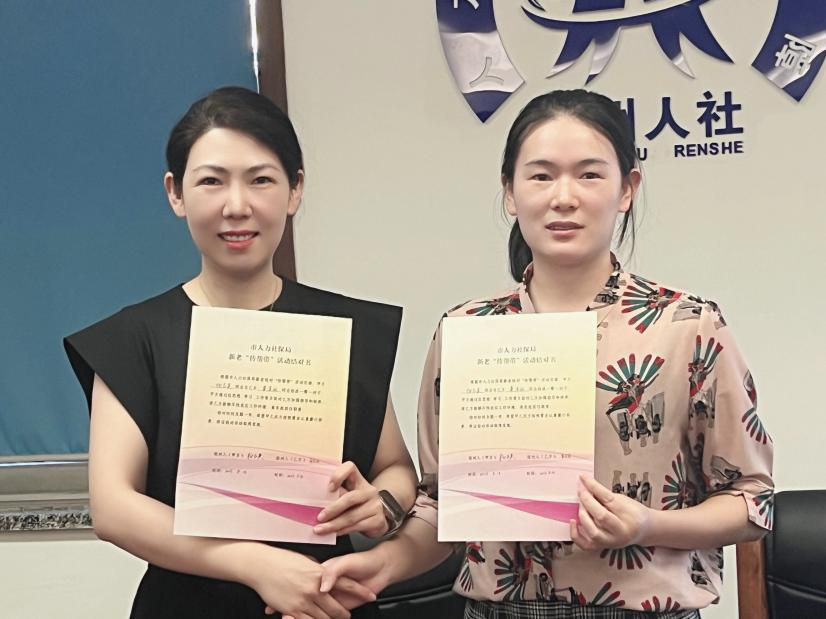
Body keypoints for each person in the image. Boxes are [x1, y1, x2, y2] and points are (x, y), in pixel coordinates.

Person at [319, 89, 774, 618]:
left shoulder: (686, 326)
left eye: (589, 174)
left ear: (627, 189)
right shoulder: (467, 330)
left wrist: (648, 525)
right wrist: (382, 565)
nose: (564, 197)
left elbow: (750, 499)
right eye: (541, 176)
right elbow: (443, 506)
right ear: (510, 193)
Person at [64, 86, 417, 619]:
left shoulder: (343, 329)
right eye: (211, 181)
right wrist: (257, 566)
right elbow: (114, 507)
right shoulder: (134, 338)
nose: (236, 206)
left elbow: (395, 469)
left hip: (326, 598)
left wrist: (382, 505)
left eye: (261, 180)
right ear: (175, 193)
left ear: (295, 190)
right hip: (186, 604)